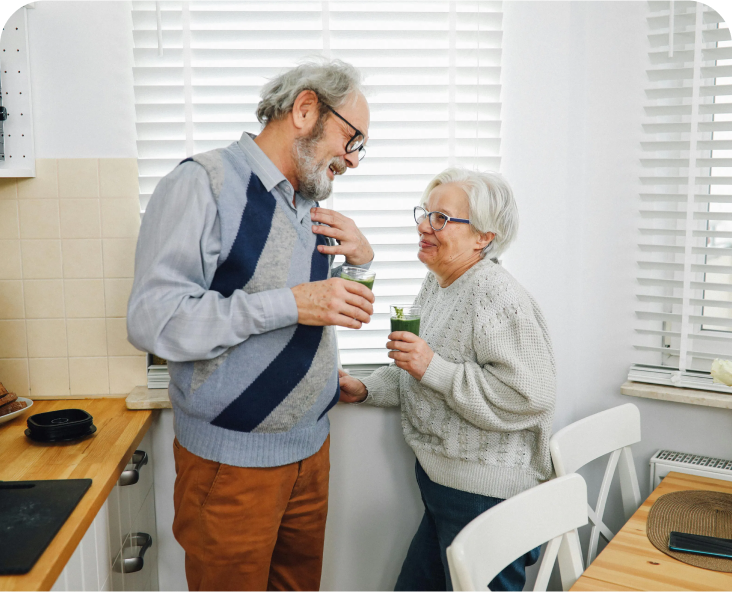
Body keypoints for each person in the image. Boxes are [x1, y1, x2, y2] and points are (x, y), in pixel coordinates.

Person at [127, 59, 375, 592]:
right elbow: (154, 321)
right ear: (306, 110)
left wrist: (362, 261)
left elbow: (323, 311)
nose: (353, 161)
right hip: (230, 469)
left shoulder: (307, 203)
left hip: (311, 454)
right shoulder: (202, 184)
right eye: (351, 139)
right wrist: (287, 304)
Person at [339, 168, 556, 592]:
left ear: (484, 238)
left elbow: (532, 396)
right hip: (443, 483)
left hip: (484, 494)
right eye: (425, 214)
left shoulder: (496, 295)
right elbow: (420, 373)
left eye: (441, 219)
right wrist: (367, 389)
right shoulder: (439, 282)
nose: (424, 226)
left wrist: (431, 366)